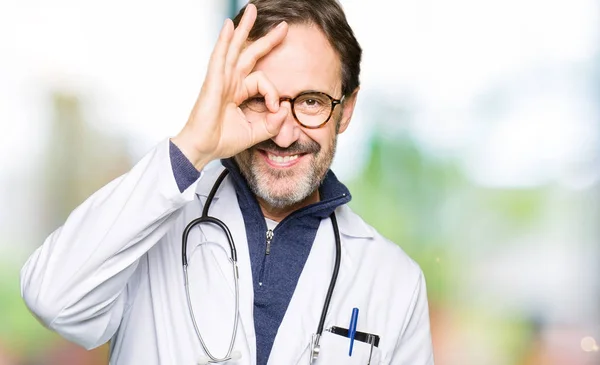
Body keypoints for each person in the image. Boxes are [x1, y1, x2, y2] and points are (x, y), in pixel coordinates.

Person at [20, 0, 434, 364]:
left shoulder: (395, 281)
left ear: (346, 110)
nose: (285, 134)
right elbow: (53, 299)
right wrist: (192, 147)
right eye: (261, 98)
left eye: (311, 102)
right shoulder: (151, 214)